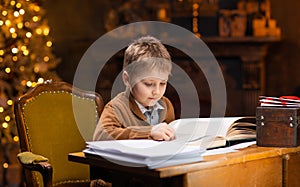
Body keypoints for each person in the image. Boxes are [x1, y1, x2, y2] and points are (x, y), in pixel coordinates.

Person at [93, 36, 176, 141]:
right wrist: (149, 132)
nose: (157, 91)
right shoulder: (116, 107)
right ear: (127, 79)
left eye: (163, 83)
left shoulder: (166, 105)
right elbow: (100, 136)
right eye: (148, 84)